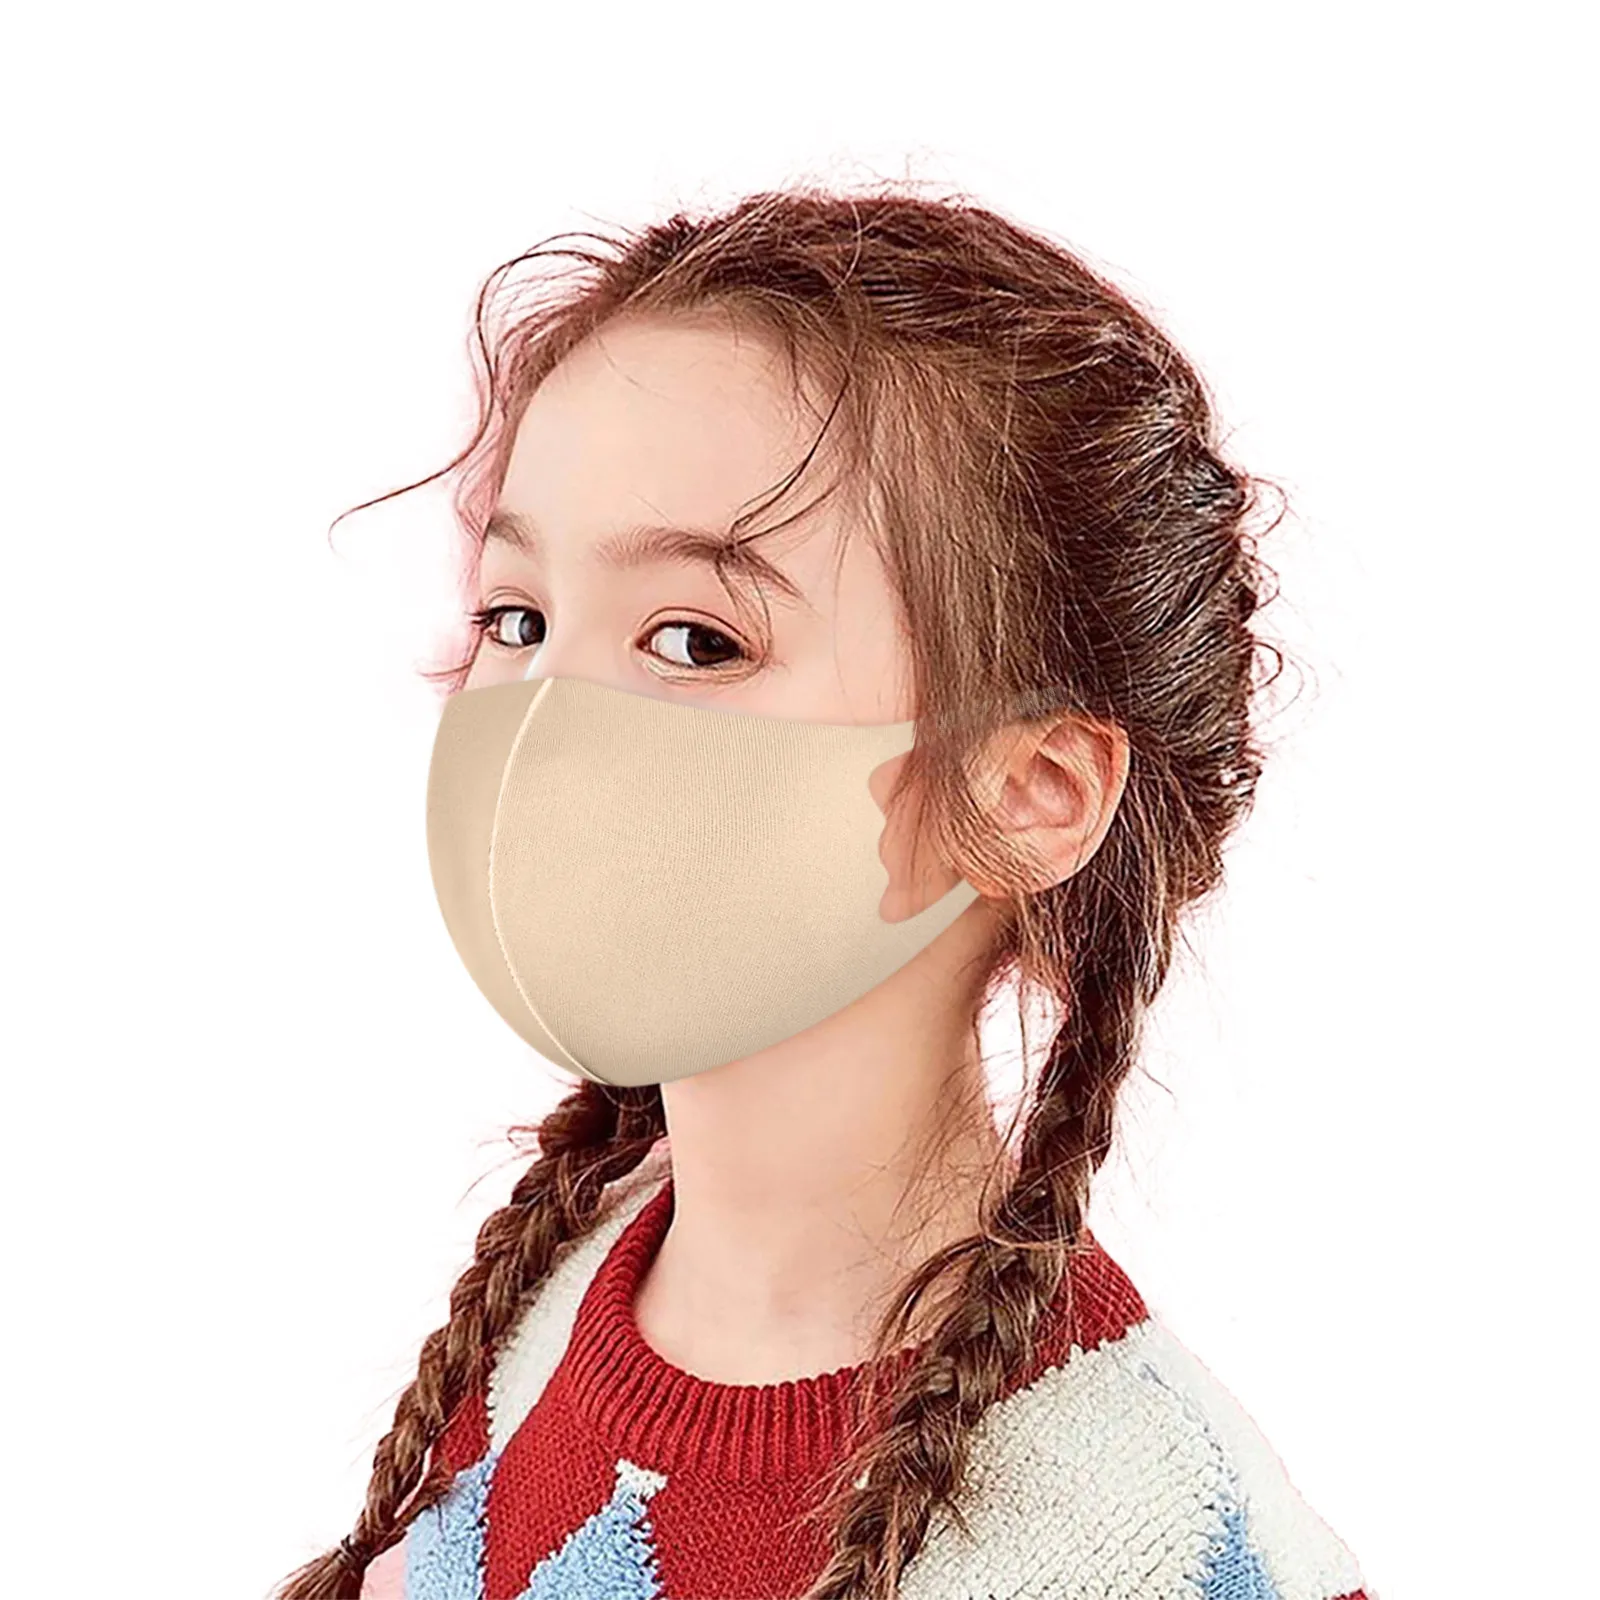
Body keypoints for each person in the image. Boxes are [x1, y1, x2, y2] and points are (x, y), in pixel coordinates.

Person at [275, 184, 1373, 1600]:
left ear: (1031, 791)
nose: (538, 722)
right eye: (518, 617)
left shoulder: (1156, 1535)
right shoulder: (548, 1305)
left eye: (694, 639)